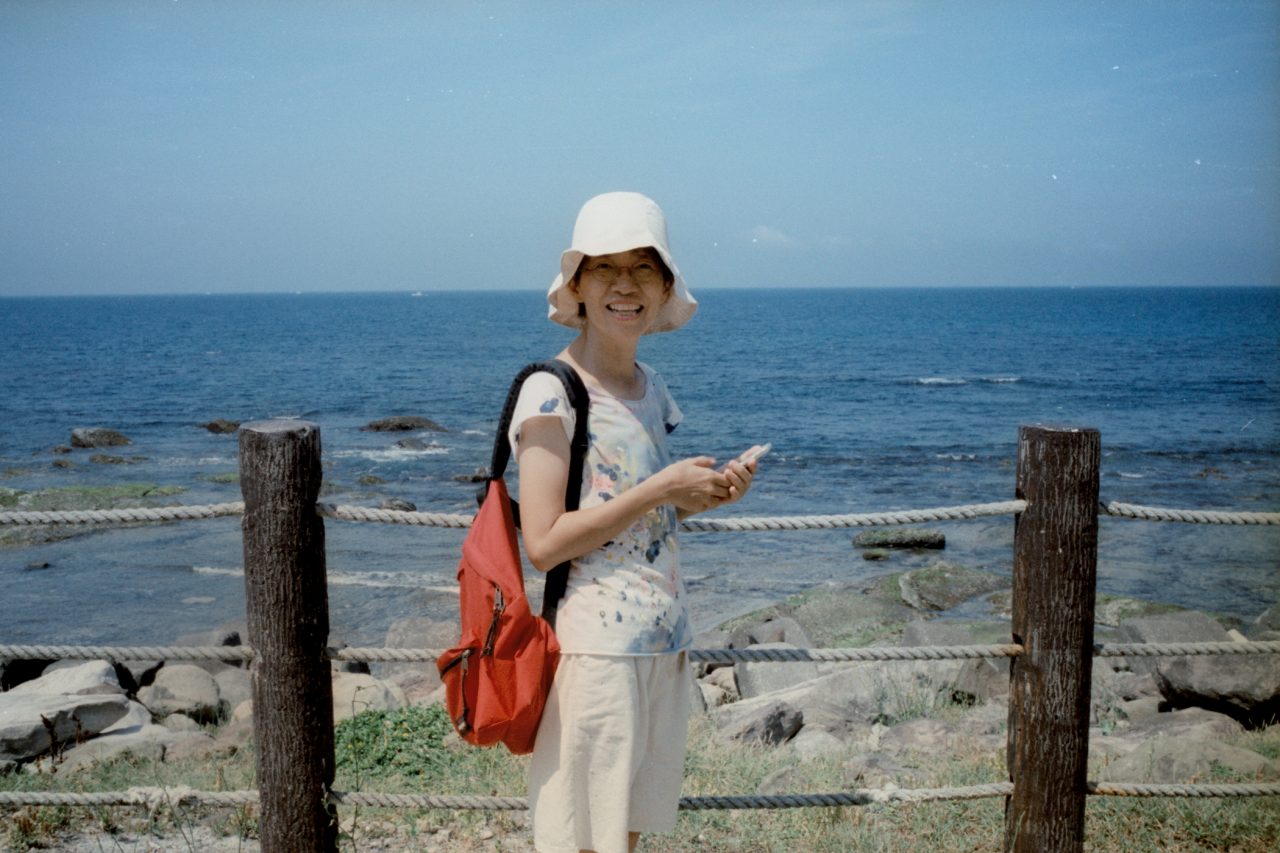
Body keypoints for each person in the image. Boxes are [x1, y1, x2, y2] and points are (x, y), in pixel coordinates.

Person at [508, 191, 762, 853]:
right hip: (595, 653)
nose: (625, 284)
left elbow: (637, 512)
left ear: (666, 284)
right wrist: (661, 488)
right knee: (582, 839)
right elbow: (543, 541)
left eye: (643, 267)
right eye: (605, 268)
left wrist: (704, 493)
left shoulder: (650, 386)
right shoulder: (549, 392)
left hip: (662, 644)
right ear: (578, 285)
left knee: (625, 833)